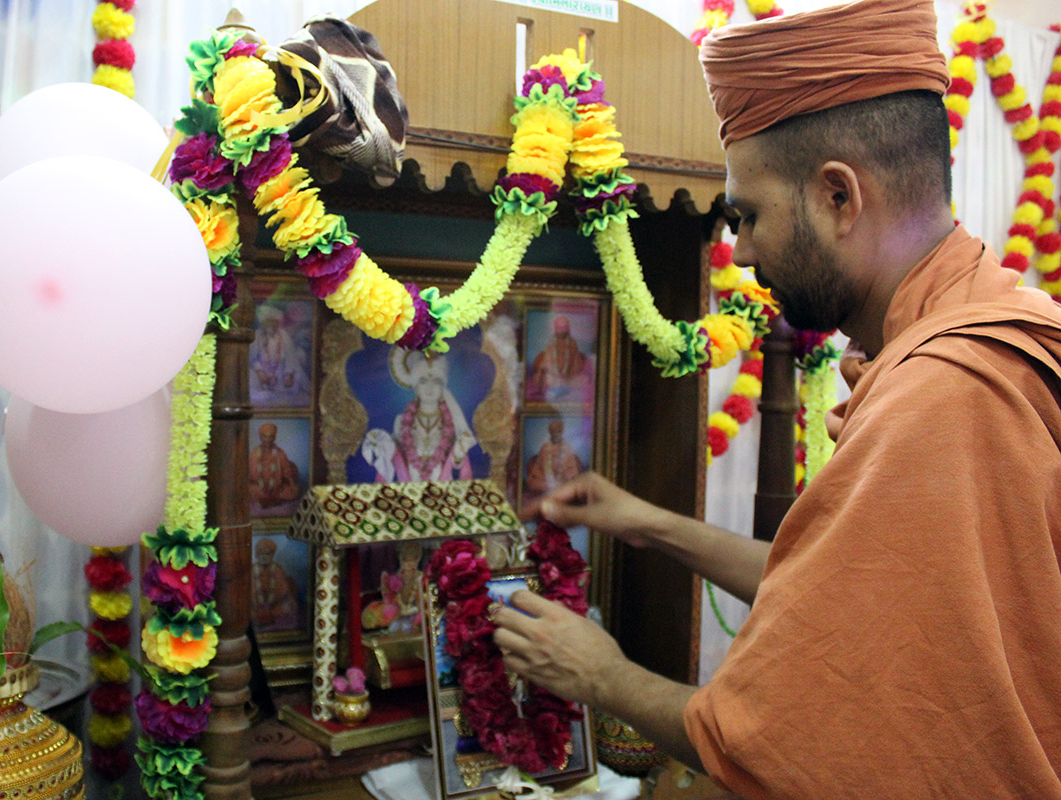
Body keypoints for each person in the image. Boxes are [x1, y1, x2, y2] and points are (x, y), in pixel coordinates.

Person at [491, 0, 1061, 796]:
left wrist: (600, 674)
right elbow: (842, 585)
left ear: (838, 198)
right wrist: (648, 523)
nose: (744, 252)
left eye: (750, 216)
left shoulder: (941, 397)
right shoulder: (997, 318)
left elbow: (775, 742)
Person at [361, 350, 478, 482]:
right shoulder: (401, 421)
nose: (429, 387)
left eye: (436, 381)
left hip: (443, 490)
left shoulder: (451, 422)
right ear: (415, 387)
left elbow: (458, 463)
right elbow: (395, 458)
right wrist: (381, 447)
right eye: (423, 381)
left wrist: (458, 455)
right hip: (408, 490)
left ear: (443, 387)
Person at [527, 315, 591, 402]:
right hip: (553, 376)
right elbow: (547, 361)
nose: (561, 331)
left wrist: (569, 375)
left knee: (583, 380)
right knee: (539, 378)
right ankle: (559, 388)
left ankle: (561, 387)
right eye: (559, 328)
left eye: (564, 328)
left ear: (568, 330)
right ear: (555, 330)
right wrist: (546, 370)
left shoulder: (572, 344)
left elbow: (577, 363)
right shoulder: (551, 344)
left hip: (569, 377)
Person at [248, 423, 301, 512]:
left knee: (291, 492)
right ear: (260, 438)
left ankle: (268, 500)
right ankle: (269, 500)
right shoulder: (253, 454)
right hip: (259, 487)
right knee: (252, 491)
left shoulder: (280, 453)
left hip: (277, 488)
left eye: (270, 437)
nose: (267, 440)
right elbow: (249, 475)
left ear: (274, 438)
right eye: (265, 437)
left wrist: (292, 484)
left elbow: (287, 472)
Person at [525, 419, 584, 495]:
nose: (556, 434)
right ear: (550, 433)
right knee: (533, 482)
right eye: (553, 432)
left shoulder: (567, 447)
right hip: (546, 478)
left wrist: (565, 473)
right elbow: (539, 465)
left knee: (572, 483)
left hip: (563, 478)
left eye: (558, 432)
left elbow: (571, 466)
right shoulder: (545, 447)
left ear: (561, 432)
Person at [253, 537, 300, 630]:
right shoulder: (251, 570)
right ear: (257, 554)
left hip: (275, 607)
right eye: (261, 553)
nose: (264, 556)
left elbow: (285, 592)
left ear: (272, 554)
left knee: (287, 606)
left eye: (268, 553)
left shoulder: (278, 570)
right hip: (255, 607)